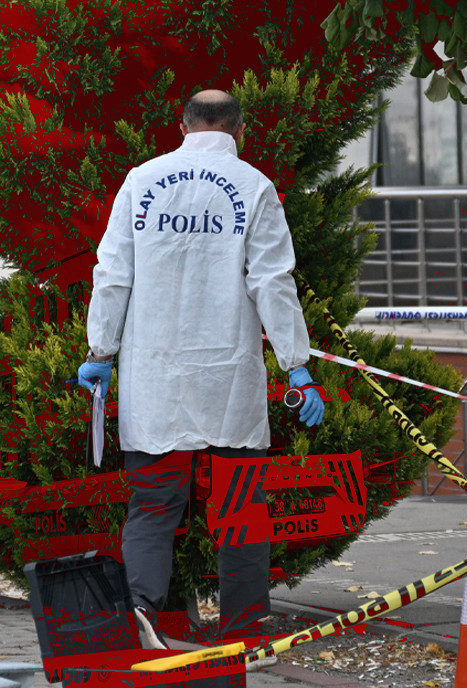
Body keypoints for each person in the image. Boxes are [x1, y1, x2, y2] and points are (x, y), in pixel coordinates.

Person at [77, 90, 325, 645]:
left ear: (182, 125)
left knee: (153, 507)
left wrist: (100, 353)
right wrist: (297, 368)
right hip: (228, 376)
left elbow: (112, 274)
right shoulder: (255, 186)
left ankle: (140, 611)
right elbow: (272, 283)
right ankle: (245, 633)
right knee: (239, 510)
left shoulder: (142, 180)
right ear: (240, 130)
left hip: (156, 379)